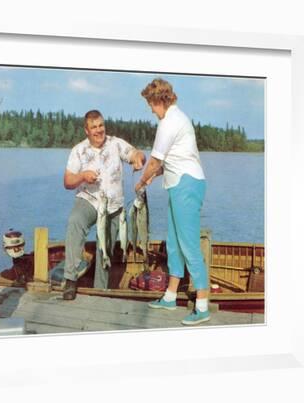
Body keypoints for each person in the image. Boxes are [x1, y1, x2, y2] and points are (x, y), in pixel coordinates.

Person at [137, 78, 209, 326]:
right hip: (179, 184)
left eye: (150, 103)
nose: (150, 108)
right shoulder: (177, 118)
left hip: (186, 185)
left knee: (188, 245)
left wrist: (140, 181)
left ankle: (202, 306)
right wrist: (150, 178)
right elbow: (166, 163)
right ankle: (170, 296)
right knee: (175, 244)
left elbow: (156, 162)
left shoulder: (169, 122)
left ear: (160, 100)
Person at [62, 110, 146, 300]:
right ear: (86, 130)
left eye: (101, 125)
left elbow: (135, 153)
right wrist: (83, 176)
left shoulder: (116, 143)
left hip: (114, 206)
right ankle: (70, 280)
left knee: (105, 247)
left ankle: (100, 290)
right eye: (94, 127)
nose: (99, 130)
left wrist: (139, 159)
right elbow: (67, 181)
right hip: (89, 201)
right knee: (75, 221)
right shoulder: (78, 150)